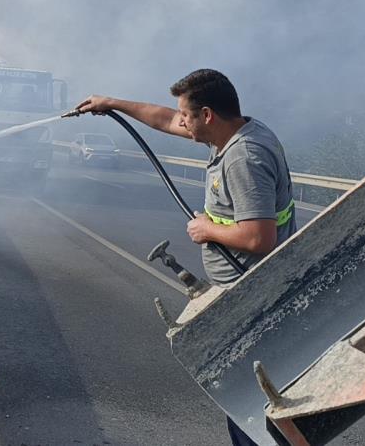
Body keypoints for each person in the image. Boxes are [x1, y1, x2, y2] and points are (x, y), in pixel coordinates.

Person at [72, 68, 296, 446]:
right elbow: (164, 118)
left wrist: (207, 230)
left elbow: (260, 237)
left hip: (252, 299)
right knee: (247, 408)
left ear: (207, 115)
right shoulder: (232, 133)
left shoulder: (243, 158)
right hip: (245, 293)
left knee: (250, 410)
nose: (182, 123)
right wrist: (111, 104)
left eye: (188, 116)